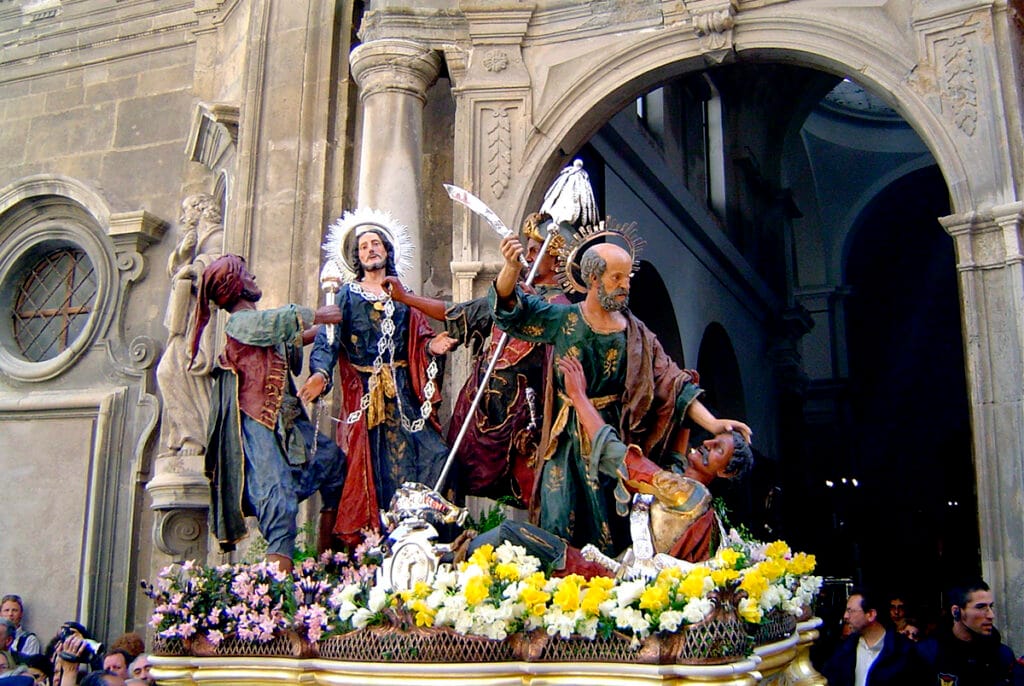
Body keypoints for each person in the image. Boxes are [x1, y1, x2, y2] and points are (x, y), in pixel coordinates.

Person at [489, 231, 751, 554]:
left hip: (614, 441)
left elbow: (674, 383)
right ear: (593, 279)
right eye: (617, 277)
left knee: (611, 530)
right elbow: (512, 312)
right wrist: (510, 268)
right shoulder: (565, 320)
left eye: (627, 277)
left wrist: (712, 424)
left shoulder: (636, 333)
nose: (625, 285)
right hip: (566, 442)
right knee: (558, 521)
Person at [467, 356, 753, 577]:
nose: (709, 444)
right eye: (714, 439)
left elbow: (619, 456)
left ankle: (446, 564)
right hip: (620, 565)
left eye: (719, 450)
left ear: (725, 472)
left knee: (511, 535)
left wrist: (579, 397)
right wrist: (686, 399)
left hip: (617, 576)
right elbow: (676, 460)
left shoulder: (685, 494)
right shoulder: (685, 484)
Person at [384, 211, 569, 505]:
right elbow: (456, 313)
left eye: (537, 250)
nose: (528, 255)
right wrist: (407, 298)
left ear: (557, 260)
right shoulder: (510, 297)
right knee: (450, 470)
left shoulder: (560, 309)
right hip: (479, 409)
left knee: (535, 490)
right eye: (528, 248)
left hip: (523, 418)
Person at [300, 210, 457, 545]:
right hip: (367, 398)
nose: (370, 250)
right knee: (374, 467)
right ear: (356, 257)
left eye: (375, 244)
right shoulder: (346, 295)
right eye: (363, 247)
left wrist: (433, 346)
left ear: (387, 250)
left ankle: (424, 534)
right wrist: (318, 374)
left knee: (434, 455)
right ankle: (378, 544)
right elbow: (328, 340)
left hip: (405, 397)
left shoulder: (401, 293)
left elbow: (420, 335)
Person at [197, 254, 348, 573]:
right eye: (247, 274)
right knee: (277, 498)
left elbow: (291, 339)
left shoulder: (259, 328)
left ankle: (331, 563)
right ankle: (277, 603)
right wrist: (319, 314)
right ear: (234, 285)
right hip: (258, 425)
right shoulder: (241, 323)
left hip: (287, 422)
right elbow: (277, 324)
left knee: (332, 462)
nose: (254, 278)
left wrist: (330, 328)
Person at [155, 193, 225, 459]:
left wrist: (194, 267)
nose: (184, 217)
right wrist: (184, 255)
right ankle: (187, 433)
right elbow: (176, 268)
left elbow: (218, 267)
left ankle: (196, 435)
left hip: (203, 323)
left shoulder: (216, 237)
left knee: (172, 370)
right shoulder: (195, 242)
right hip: (187, 321)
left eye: (188, 211)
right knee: (169, 371)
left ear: (201, 210)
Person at [916, 579, 1024, 685]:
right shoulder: (929, 653)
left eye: (990, 606)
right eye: (981, 607)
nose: (991, 615)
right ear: (956, 611)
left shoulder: (1002, 655)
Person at [821, 587, 927, 685]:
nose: (845, 616)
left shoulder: (903, 651)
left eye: (850, 611)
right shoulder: (845, 649)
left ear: (871, 614)